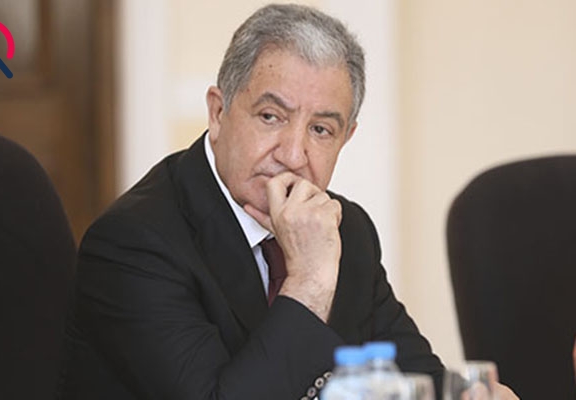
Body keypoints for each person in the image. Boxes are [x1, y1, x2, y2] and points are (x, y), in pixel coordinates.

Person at [58, 4, 517, 400]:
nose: (294, 155)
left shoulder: (346, 229)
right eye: (271, 117)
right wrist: (310, 283)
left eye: (321, 129)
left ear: (346, 138)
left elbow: (416, 382)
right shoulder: (134, 244)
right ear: (218, 113)